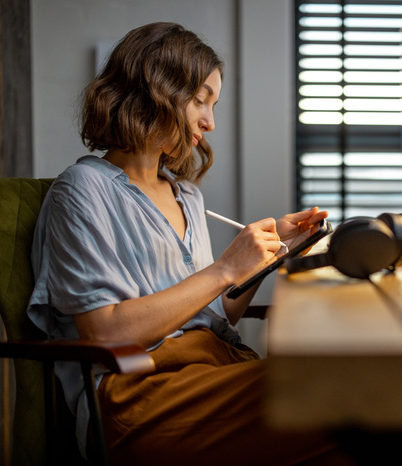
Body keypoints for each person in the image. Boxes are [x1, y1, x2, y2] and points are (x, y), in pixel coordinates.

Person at [27, 22, 347, 465]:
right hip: (139, 394)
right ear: (154, 89)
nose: (210, 122)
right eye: (200, 100)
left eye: (213, 105)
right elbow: (104, 331)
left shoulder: (186, 194)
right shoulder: (82, 190)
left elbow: (213, 316)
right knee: (338, 393)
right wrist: (224, 269)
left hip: (209, 371)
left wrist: (270, 255)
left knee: (353, 402)